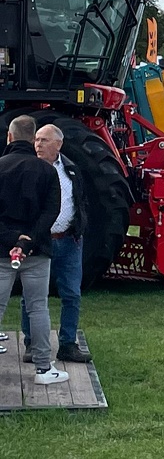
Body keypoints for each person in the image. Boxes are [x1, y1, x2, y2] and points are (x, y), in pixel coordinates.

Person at [0, 116, 65, 384]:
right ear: (32, 139)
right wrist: (27, 241)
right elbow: (52, 211)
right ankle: (43, 369)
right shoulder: (48, 172)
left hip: (1, 250)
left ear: (10, 137)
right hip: (36, 252)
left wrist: (12, 238)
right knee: (38, 308)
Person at [20, 124, 91, 363]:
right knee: (31, 295)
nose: (38, 144)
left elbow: (80, 199)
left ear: (58, 144)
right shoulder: (29, 168)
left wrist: (78, 227)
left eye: (44, 140)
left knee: (72, 294)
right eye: (36, 140)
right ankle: (31, 344)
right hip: (40, 242)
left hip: (68, 240)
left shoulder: (70, 169)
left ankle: (68, 344)